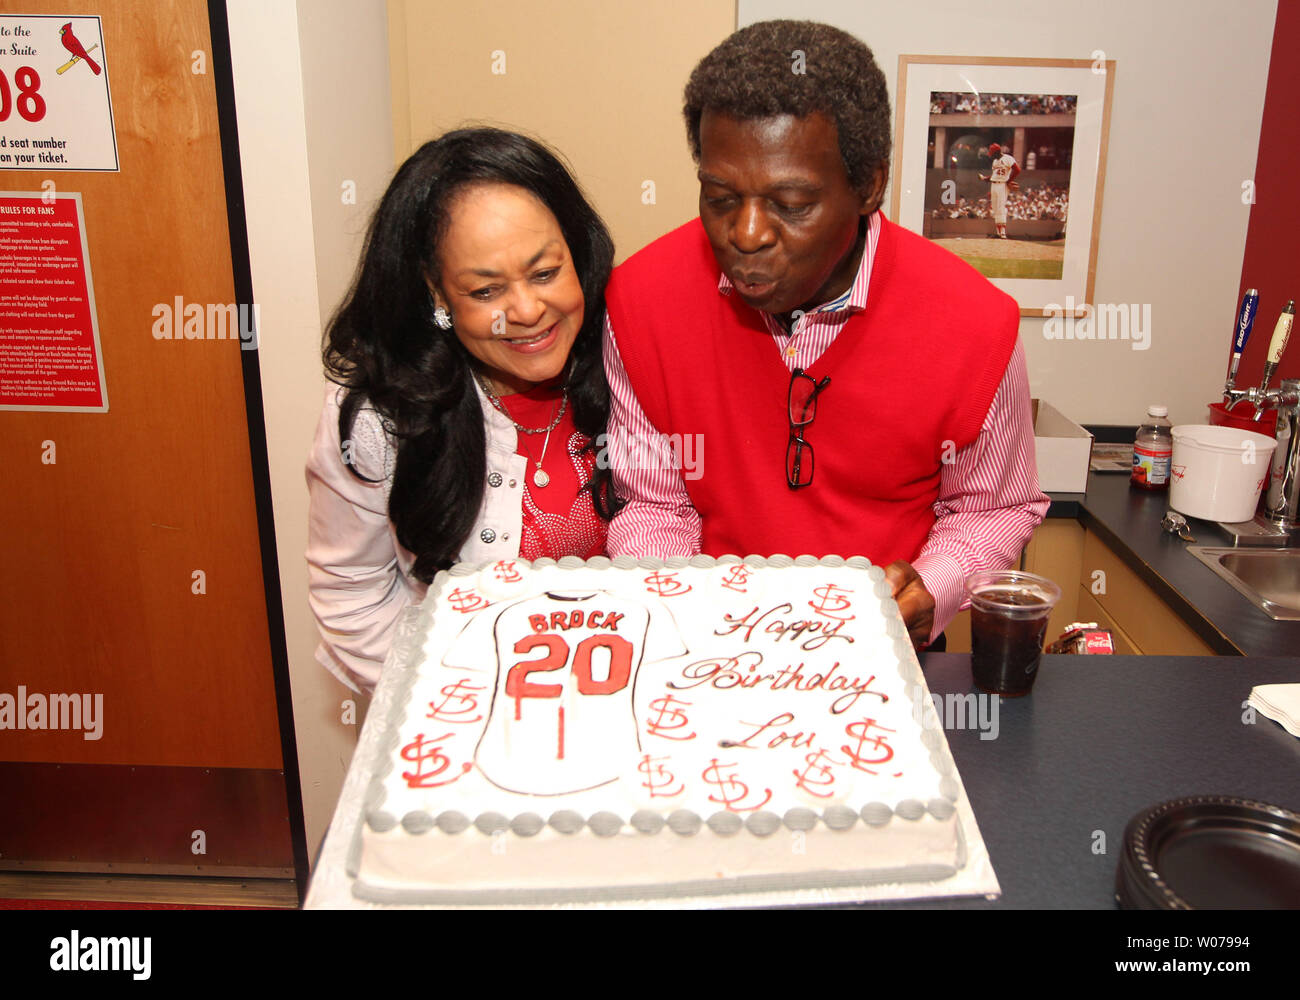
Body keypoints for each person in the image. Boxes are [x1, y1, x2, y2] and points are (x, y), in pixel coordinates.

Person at [602, 20, 1049, 648]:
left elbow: (992, 509)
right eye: (721, 197)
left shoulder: (976, 324)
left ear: (868, 186)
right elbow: (654, 506)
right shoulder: (639, 303)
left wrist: (931, 585)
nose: (748, 233)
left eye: (791, 203)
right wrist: (685, 606)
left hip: (887, 653)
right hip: (704, 644)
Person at [307, 128, 618, 691]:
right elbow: (350, 594)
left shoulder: (632, 362)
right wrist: (462, 696)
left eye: (546, 273)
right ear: (437, 296)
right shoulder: (380, 418)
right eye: (485, 292)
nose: (527, 311)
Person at [980, 141, 1021, 239]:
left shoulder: (1008, 158)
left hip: (1002, 185)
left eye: (992, 153)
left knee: (1000, 207)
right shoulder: (995, 162)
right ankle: (998, 232)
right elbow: (994, 175)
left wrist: (1009, 180)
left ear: (997, 152)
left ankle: (1003, 233)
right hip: (994, 184)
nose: (991, 156)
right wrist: (985, 178)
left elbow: (1017, 170)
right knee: (995, 208)